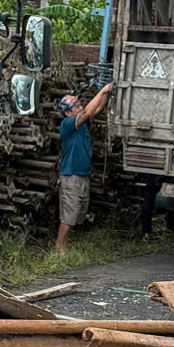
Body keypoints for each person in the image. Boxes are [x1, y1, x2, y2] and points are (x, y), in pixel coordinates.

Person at [55, 82, 113, 248]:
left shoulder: (84, 124)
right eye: (76, 106)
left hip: (82, 175)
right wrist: (102, 89)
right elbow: (88, 111)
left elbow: (98, 108)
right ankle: (58, 248)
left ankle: (65, 245)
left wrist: (107, 95)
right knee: (69, 215)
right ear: (67, 112)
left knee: (78, 214)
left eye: (80, 104)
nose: (80, 107)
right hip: (70, 175)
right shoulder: (67, 125)